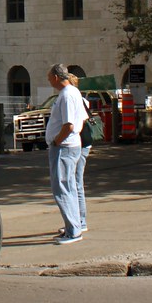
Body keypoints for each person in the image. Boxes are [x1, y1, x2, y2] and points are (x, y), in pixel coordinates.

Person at [45, 63, 85, 244]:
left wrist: (56, 141)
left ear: (56, 77)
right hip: (70, 145)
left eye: (49, 77)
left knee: (62, 188)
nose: (49, 81)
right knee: (69, 187)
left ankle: (73, 230)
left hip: (64, 147)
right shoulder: (73, 92)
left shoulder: (67, 95)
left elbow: (68, 125)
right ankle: (74, 226)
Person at [68, 73, 91, 235]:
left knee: (76, 183)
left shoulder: (74, 99)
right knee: (74, 183)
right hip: (82, 143)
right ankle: (77, 221)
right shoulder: (80, 99)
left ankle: (80, 221)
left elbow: (75, 124)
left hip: (79, 144)